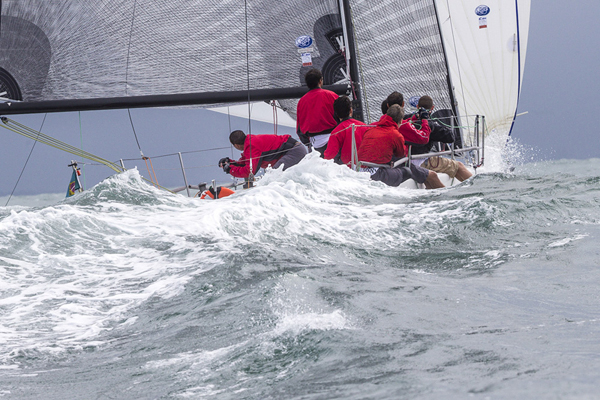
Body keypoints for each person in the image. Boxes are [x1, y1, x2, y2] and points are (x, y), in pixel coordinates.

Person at [384, 91, 444, 189]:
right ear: (403, 104)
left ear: (387, 106)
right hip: (399, 163)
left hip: (381, 164)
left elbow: (402, 122)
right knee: (432, 176)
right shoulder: (403, 127)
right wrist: (424, 120)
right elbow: (423, 138)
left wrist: (415, 117)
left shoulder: (376, 124)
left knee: (428, 179)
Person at [407, 95, 473, 182]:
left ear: (417, 107)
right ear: (432, 107)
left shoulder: (405, 120)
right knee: (459, 166)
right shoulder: (431, 125)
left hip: (404, 160)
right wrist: (442, 126)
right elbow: (450, 137)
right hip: (420, 162)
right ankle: (478, 187)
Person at [356, 104, 412, 186]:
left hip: (359, 171)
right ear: (400, 121)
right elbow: (400, 154)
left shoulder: (370, 130)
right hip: (375, 174)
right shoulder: (396, 134)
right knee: (407, 171)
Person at [218, 130, 306, 179]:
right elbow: (246, 163)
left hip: (294, 151)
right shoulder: (250, 143)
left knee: (273, 176)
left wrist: (230, 170)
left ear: (236, 145)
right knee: (273, 176)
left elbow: (250, 171)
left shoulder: (252, 146)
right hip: (295, 149)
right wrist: (231, 163)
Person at [296, 68, 339, 156]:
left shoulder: (301, 102)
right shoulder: (332, 96)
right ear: (320, 81)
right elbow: (343, 117)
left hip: (314, 146)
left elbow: (299, 129)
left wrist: (308, 143)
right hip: (334, 141)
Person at [323, 95, 368, 167]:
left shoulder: (336, 132)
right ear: (351, 110)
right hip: (366, 167)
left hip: (348, 170)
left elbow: (329, 157)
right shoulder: (365, 127)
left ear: (336, 114)